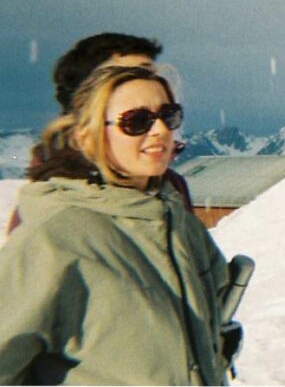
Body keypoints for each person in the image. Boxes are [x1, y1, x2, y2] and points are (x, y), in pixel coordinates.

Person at [0, 65, 237, 384]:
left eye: (168, 116)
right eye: (137, 121)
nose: (160, 131)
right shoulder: (52, 237)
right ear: (89, 135)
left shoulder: (179, 223)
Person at [7, 32, 193, 234]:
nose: (144, 85)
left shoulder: (169, 187)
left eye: (150, 75)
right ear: (87, 98)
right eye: (124, 77)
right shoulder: (52, 206)